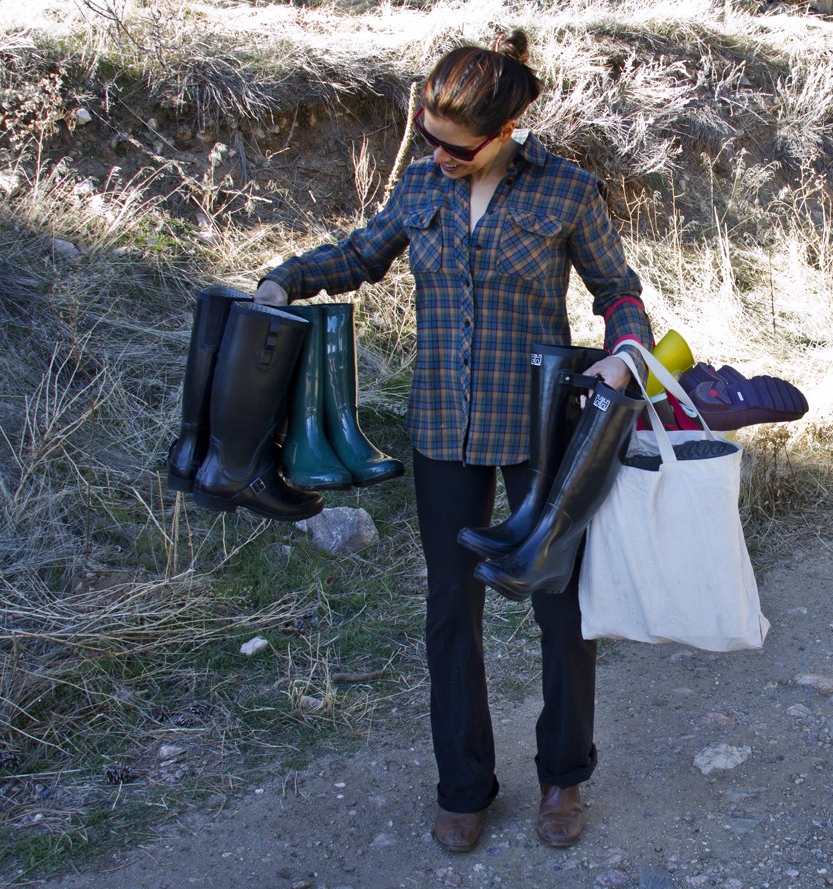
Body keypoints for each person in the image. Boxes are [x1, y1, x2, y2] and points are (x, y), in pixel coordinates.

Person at [255, 29, 653, 852]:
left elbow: (619, 290)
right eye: (429, 139)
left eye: (455, 147)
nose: (436, 155)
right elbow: (360, 255)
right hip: (441, 423)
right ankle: (463, 784)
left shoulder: (566, 192)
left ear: (503, 135)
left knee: (559, 607)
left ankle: (562, 778)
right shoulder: (418, 187)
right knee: (449, 611)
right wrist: (284, 278)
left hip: (541, 428)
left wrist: (624, 353)